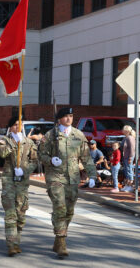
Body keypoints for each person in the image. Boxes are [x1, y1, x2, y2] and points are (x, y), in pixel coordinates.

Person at [39, 107, 96, 258]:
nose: (69, 118)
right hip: (55, 177)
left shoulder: (78, 135)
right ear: (59, 119)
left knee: (69, 211)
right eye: (65, 116)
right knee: (60, 207)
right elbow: (41, 154)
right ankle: (61, 241)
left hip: (72, 178)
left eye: (71, 116)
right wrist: (50, 160)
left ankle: (59, 237)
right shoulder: (51, 135)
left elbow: (86, 157)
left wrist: (93, 176)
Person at [0, 115, 38, 256]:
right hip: (9, 182)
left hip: (23, 183)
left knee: (21, 215)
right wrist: (14, 142)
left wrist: (25, 170)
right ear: (10, 127)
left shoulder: (28, 142)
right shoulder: (4, 141)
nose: (17, 127)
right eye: (15, 124)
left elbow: (35, 161)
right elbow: (2, 153)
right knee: (10, 215)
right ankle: (11, 244)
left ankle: (17, 241)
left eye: (19, 125)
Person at [120, 125, 135, 192]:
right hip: (125, 156)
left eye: (123, 129)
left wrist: (130, 157)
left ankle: (130, 186)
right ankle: (127, 185)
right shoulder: (125, 138)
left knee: (129, 171)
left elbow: (132, 148)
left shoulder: (130, 138)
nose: (122, 131)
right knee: (126, 171)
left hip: (128, 157)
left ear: (127, 131)